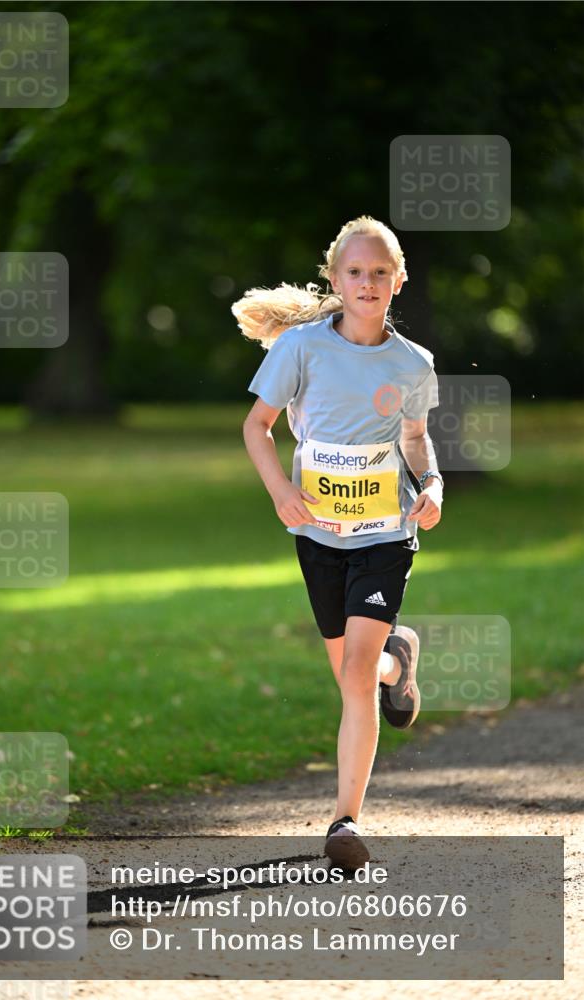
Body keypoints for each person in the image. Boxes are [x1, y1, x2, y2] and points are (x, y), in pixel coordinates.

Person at [235, 215, 443, 870]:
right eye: (354, 272)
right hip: (318, 536)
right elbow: (256, 427)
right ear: (335, 280)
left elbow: (412, 439)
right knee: (355, 675)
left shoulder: (413, 364)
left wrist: (431, 481)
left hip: (385, 533)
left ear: (398, 281)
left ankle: (343, 821)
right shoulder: (299, 349)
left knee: (353, 676)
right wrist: (280, 493)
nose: (367, 283)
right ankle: (397, 662)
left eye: (380, 272)